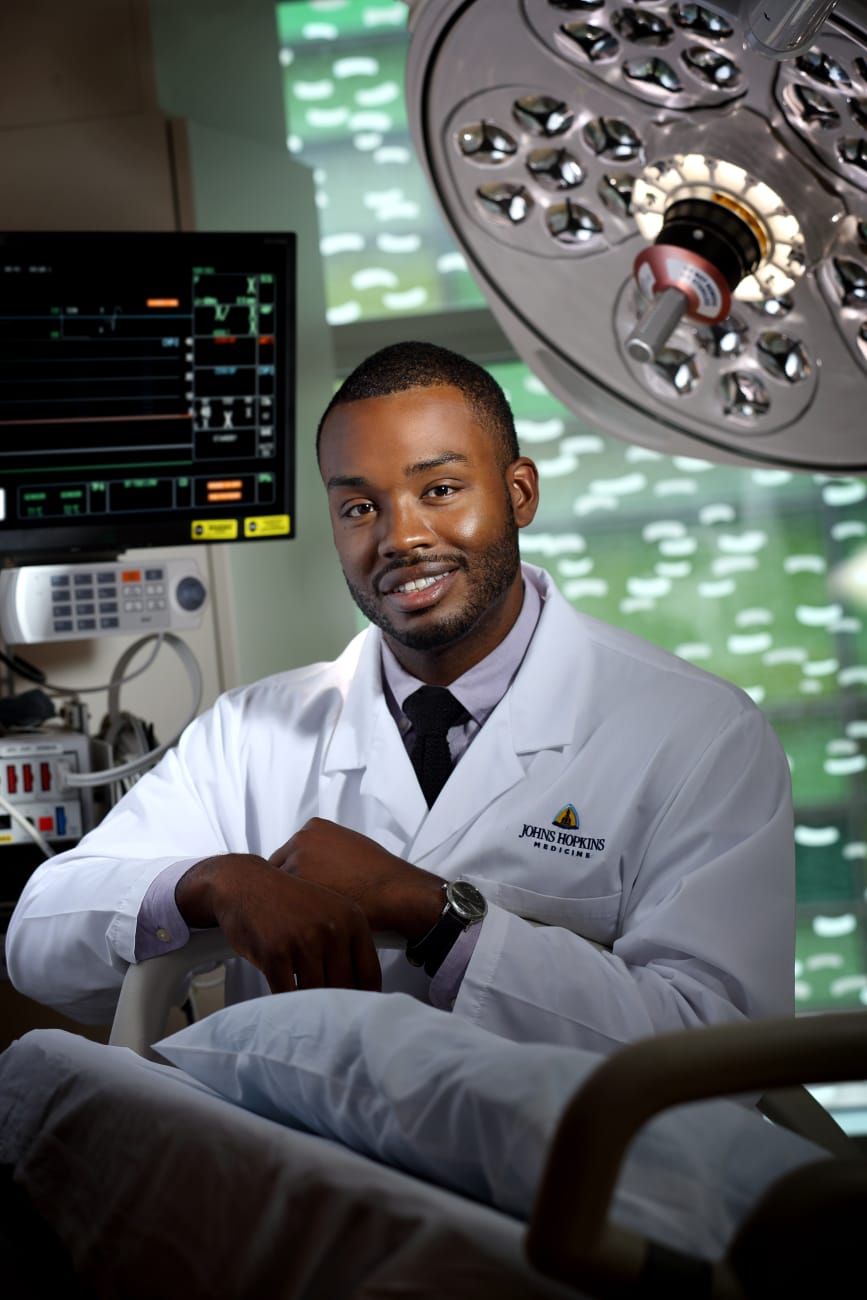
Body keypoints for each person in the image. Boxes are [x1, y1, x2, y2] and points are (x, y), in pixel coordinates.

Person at [6, 342, 795, 1052]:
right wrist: (219, 882)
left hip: (570, 1196)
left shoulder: (697, 734)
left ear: (519, 493)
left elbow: (718, 1045)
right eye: (358, 507)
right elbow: (38, 940)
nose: (399, 537)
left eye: (440, 488)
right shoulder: (251, 732)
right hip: (302, 1174)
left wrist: (429, 911)